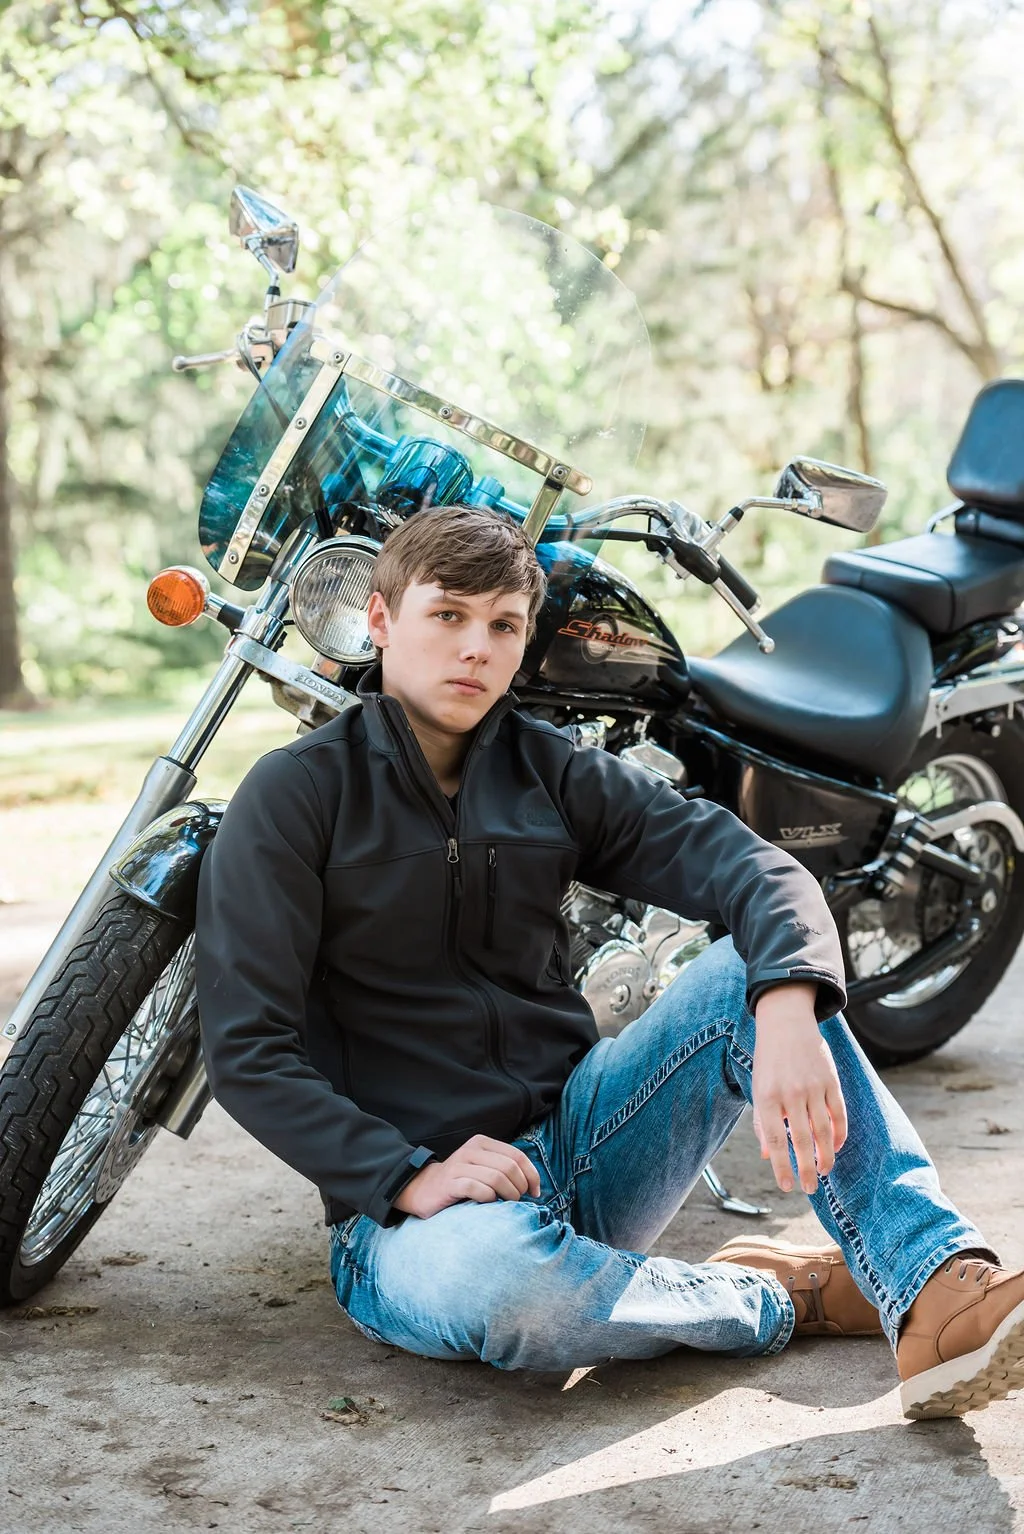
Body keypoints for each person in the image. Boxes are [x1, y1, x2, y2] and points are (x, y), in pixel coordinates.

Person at [195, 504, 1024, 1421]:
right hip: (414, 1217)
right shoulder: (294, 795)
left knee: (747, 976)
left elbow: (757, 869)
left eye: (503, 625)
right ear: (382, 621)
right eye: (448, 616)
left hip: (586, 1145)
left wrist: (787, 1006)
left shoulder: (549, 771)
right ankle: (778, 1297)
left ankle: (938, 1283)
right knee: (507, 1287)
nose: (476, 647)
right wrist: (403, 1176)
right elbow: (248, 1051)